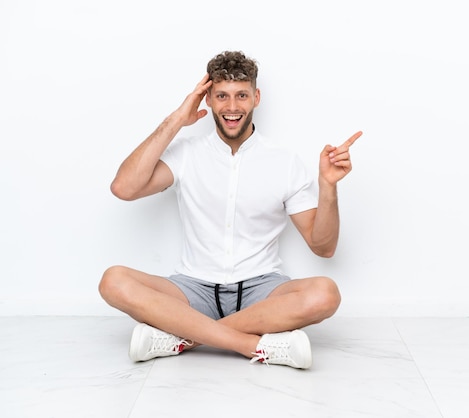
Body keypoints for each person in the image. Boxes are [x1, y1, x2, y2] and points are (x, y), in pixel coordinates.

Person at [98, 50, 362, 369]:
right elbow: (123, 188)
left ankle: (183, 338)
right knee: (113, 281)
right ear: (207, 99)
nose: (232, 107)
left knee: (325, 293)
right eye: (221, 95)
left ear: (256, 97)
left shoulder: (285, 162)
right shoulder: (186, 153)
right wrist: (178, 119)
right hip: (191, 289)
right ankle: (252, 345)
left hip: (261, 291)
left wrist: (328, 186)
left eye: (241, 95)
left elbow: (324, 247)